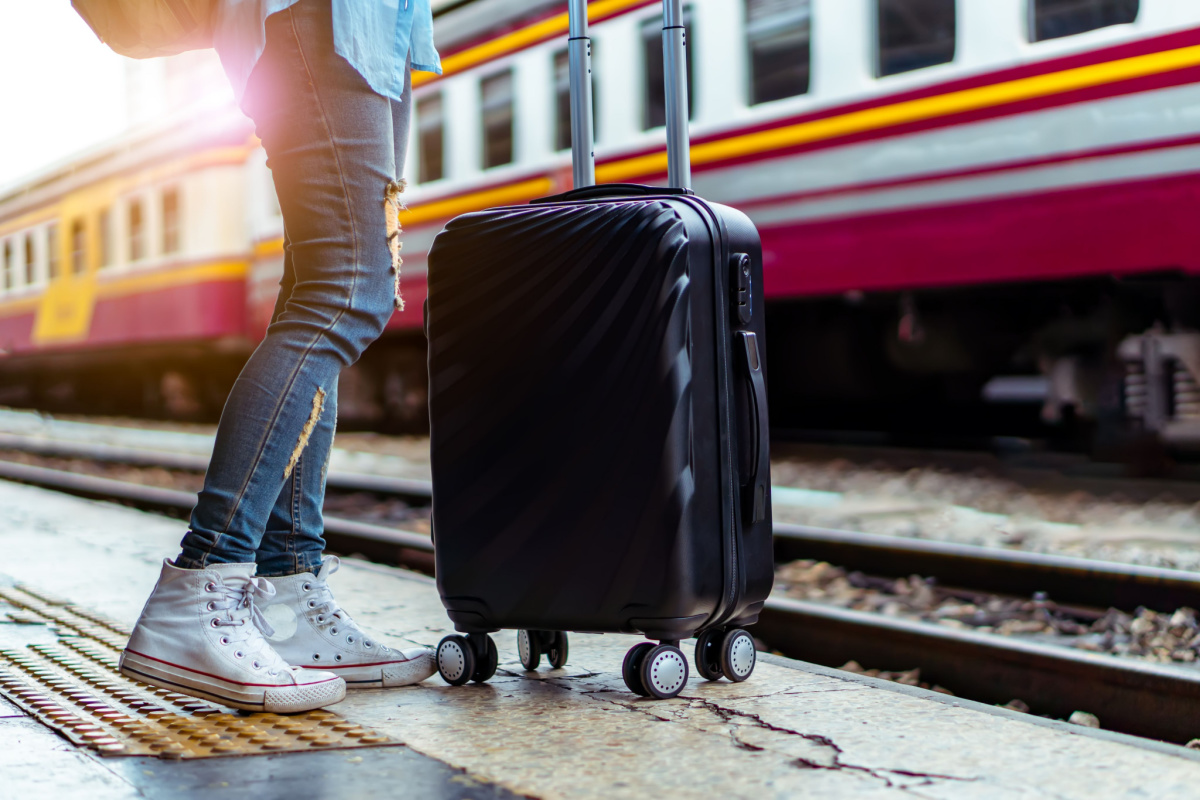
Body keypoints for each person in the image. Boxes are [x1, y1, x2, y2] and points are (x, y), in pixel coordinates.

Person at [118, 0, 442, 713]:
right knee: (345, 293)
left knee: (324, 290)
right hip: (322, 20)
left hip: (377, 31)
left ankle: (290, 597)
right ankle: (200, 587)